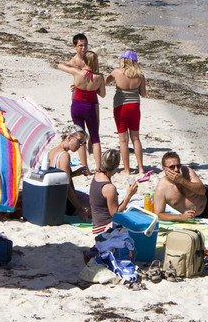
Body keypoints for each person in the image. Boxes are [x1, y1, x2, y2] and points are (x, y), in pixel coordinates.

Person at [55, 33, 106, 174]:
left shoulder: (78, 72)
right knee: (94, 136)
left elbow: (60, 66)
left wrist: (77, 81)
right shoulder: (81, 66)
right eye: (80, 45)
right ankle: (98, 167)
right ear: (75, 47)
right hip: (88, 102)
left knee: (80, 135)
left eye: (85, 45)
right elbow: (102, 93)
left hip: (78, 103)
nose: (83, 48)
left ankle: (85, 166)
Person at [150, 151, 208, 223]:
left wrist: (181, 180)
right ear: (164, 169)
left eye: (178, 166)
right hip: (205, 213)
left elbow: (202, 190)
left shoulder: (187, 171)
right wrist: (181, 217)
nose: (176, 170)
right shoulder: (162, 188)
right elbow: (159, 214)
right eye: (172, 167)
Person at [109, 50, 150, 179]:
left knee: (123, 140)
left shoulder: (116, 72)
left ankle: (127, 169)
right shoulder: (140, 75)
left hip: (120, 106)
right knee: (136, 138)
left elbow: (103, 82)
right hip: (134, 106)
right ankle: (141, 168)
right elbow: (143, 94)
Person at [89, 150, 141, 237]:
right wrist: (128, 195)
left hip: (96, 223)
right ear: (117, 165)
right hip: (104, 227)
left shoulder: (97, 174)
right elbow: (115, 213)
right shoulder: (109, 188)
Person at [40, 129, 92, 217]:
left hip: (54, 196)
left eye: (82, 142)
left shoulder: (52, 151)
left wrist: (75, 173)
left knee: (88, 197)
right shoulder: (64, 156)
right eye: (79, 141)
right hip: (66, 202)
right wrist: (80, 209)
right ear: (69, 137)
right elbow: (66, 186)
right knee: (97, 202)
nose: (80, 145)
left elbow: (58, 177)